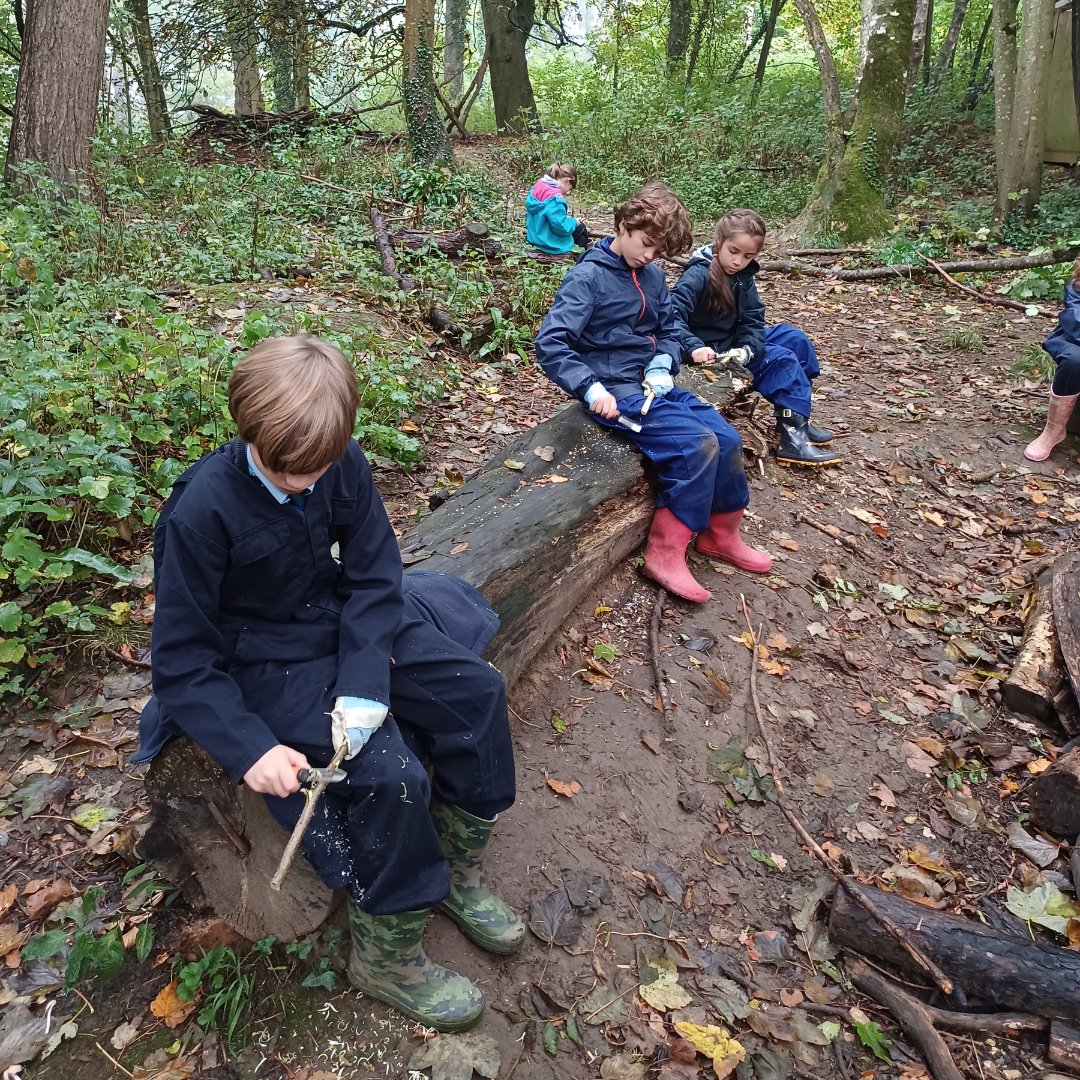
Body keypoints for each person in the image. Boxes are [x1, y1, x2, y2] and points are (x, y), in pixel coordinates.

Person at [135, 334, 521, 1033]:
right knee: (390, 772)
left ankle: (460, 871)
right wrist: (250, 749)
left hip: (344, 622)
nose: (305, 484)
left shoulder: (338, 460)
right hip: (263, 660)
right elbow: (184, 662)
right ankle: (387, 948)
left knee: (475, 692)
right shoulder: (201, 512)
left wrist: (367, 680)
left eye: (317, 470)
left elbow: (376, 573)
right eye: (288, 473)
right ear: (249, 433)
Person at [535, 184, 772, 605]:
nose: (648, 256)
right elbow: (552, 342)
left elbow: (667, 328)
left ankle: (721, 534)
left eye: (657, 251)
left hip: (652, 383)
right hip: (616, 391)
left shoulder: (652, 275)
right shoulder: (588, 277)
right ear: (624, 225)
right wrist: (589, 387)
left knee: (728, 438)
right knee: (694, 445)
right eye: (645, 244)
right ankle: (664, 552)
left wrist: (664, 361)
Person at [671, 209, 842, 467]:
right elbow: (670, 317)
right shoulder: (697, 276)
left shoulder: (743, 276)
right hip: (710, 352)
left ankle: (797, 418)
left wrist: (749, 348)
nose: (739, 261)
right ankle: (792, 441)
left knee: (794, 339)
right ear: (718, 244)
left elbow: (752, 319)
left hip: (733, 344)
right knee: (781, 359)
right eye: (733, 251)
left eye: (748, 256)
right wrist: (694, 346)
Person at [1025, 257, 1080, 461]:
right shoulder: (1077, 285)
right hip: (1075, 339)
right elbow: (1075, 320)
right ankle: (1053, 431)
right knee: (1075, 360)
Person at [525, 163, 589, 256]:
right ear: (567, 181)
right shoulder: (555, 199)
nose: (568, 192)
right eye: (570, 188)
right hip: (548, 244)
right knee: (581, 228)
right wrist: (574, 222)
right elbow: (561, 228)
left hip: (535, 237)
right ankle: (580, 259)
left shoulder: (538, 187)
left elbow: (547, 214)